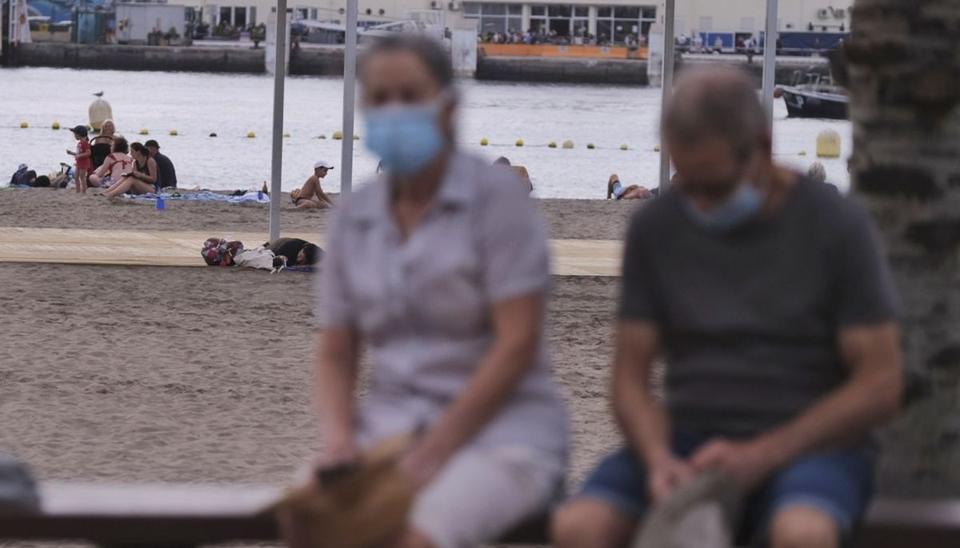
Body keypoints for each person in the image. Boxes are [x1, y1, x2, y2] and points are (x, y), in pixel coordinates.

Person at [552, 67, 903, 548]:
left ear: (761, 147)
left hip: (814, 446)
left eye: (714, 187)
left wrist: (764, 454)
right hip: (688, 441)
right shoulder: (658, 225)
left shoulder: (835, 225)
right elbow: (629, 382)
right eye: (684, 181)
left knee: (802, 535)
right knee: (580, 526)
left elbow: (880, 382)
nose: (697, 203)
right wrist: (657, 458)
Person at [286, 35, 567, 548]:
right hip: (389, 429)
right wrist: (339, 441)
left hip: (501, 435)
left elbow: (516, 345)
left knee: (415, 536)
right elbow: (336, 348)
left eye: (410, 97)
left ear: (449, 106)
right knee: (307, 520)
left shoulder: (498, 202)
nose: (394, 111)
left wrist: (432, 454)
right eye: (380, 97)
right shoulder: (355, 216)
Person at [67, 125, 92, 194]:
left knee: (82, 177)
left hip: (84, 163)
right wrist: (71, 153)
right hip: (79, 162)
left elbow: (88, 153)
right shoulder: (80, 143)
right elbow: (79, 153)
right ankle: (78, 191)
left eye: (75, 134)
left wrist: (79, 156)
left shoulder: (85, 143)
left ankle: (84, 191)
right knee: (76, 177)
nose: (74, 136)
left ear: (79, 134)